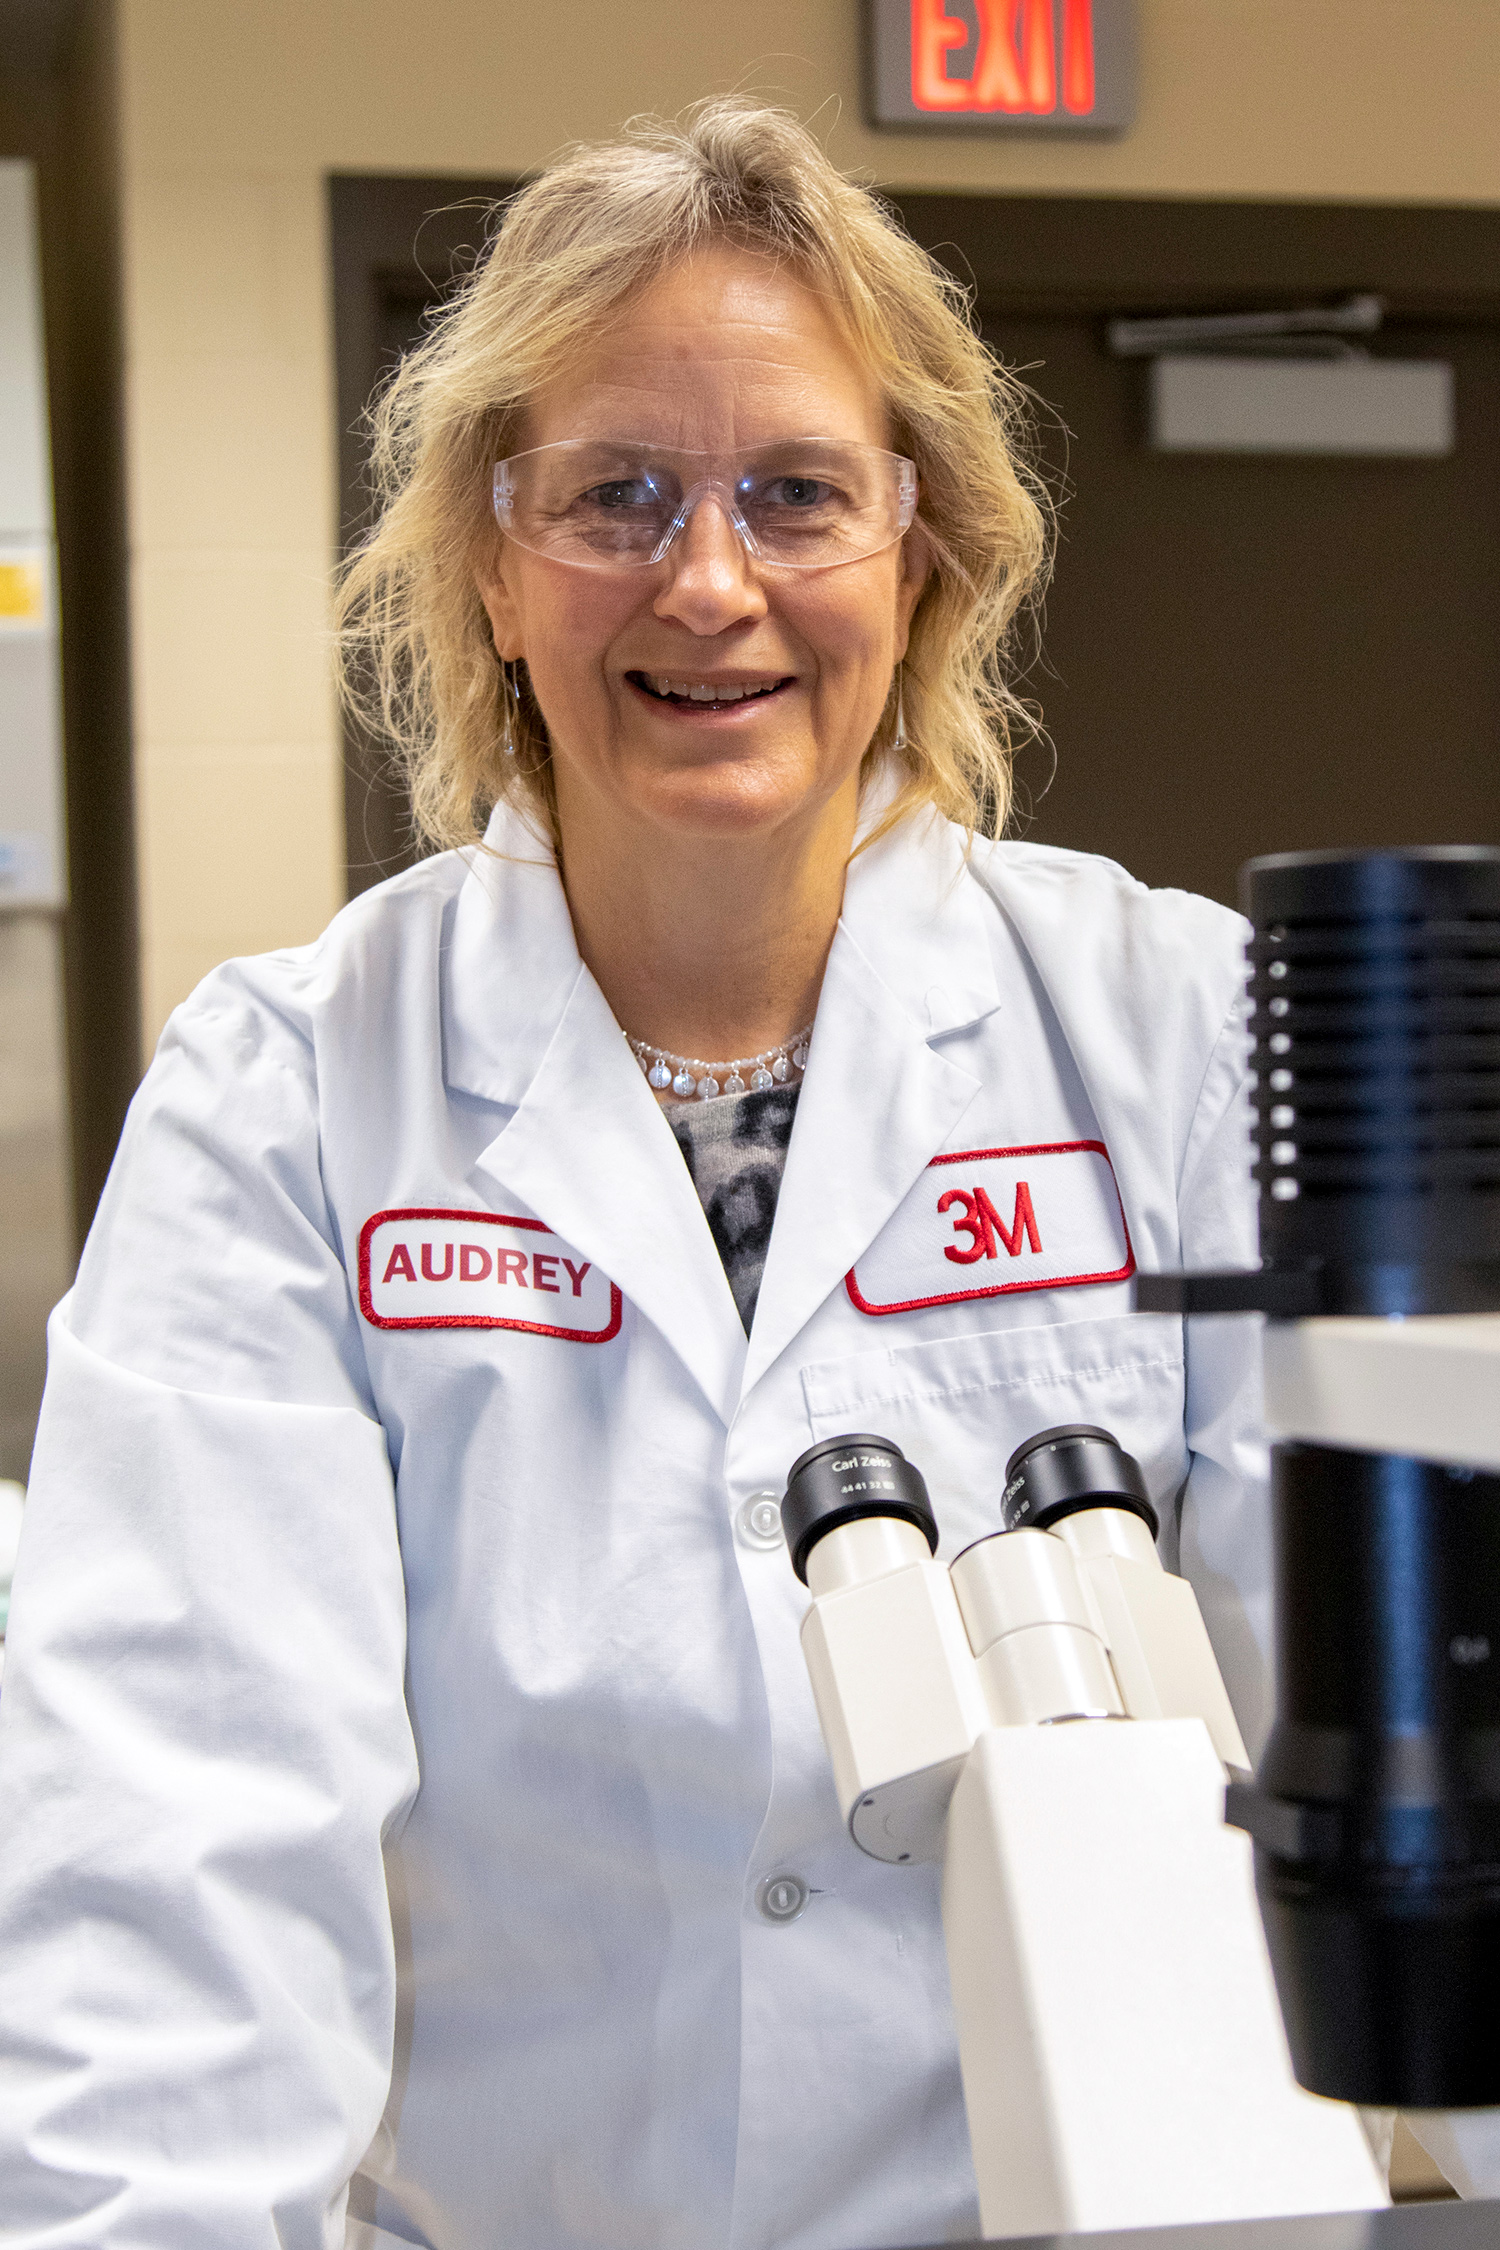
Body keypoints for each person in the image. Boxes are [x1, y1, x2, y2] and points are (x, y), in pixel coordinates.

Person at [0, 101, 1266, 2250]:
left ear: (921, 548)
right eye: (612, 497)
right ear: (490, 567)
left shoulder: (1176, 1028)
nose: (707, 579)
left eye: (796, 493)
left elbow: (1399, 1706)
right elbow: (181, 1831)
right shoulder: (293, 1096)